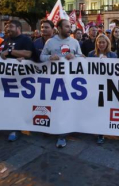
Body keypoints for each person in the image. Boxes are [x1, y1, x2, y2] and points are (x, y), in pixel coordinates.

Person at [40, 19, 82, 148]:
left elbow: (82, 57)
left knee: (68, 106)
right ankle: (57, 131)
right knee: (57, 107)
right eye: (67, 27)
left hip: (71, 82)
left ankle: (63, 134)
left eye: (70, 27)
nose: (69, 29)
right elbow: (42, 57)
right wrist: (49, 58)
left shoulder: (74, 42)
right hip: (54, 82)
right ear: (58, 28)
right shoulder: (50, 42)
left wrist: (75, 57)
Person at [0, 20, 35, 142]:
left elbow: (28, 53)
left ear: (18, 27)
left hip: (23, 79)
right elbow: (3, 54)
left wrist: (10, 52)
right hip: (9, 77)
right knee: (11, 103)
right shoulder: (6, 40)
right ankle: (13, 126)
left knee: (21, 103)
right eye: (7, 26)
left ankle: (20, 127)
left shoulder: (25, 40)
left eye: (11, 26)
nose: (8, 28)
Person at [88, 34, 117, 145]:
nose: (101, 44)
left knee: (104, 110)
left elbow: (116, 70)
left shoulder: (112, 55)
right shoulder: (91, 54)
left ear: (107, 43)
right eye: (99, 42)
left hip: (107, 86)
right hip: (95, 85)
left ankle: (102, 132)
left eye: (103, 42)